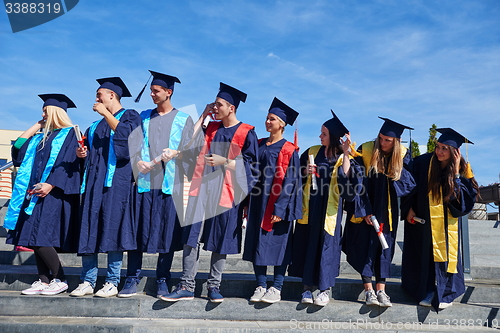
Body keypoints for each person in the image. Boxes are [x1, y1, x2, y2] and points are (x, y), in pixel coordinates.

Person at [161, 82, 259, 303]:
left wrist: (226, 161)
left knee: (221, 239)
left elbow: (254, 169)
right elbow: (187, 144)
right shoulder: (211, 128)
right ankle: (186, 284)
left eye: (219, 104)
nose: (215, 107)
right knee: (191, 237)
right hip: (201, 188)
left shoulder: (246, 132)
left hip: (227, 192)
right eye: (214, 104)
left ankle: (214, 285)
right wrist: (204, 115)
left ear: (231, 108)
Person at [118, 71, 194, 298]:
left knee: (167, 234)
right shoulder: (142, 116)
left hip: (169, 185)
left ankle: (162, 278)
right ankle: (132, 277)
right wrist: (137, 161)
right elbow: (132, 144)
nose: (152, 94)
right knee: (137, 230)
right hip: (143, 183)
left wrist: (177, 153)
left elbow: (193, 153)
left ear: (168, 92)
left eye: (156, 91)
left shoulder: (184, 119)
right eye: (151, 90)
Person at [70, 77, 141, 298]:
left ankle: (112, 281)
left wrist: (106, 114)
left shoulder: (130, 116)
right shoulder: (94, 126)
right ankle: (88, 281)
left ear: (112, 95)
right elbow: (91, 154)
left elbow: (129, 144)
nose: (96, 99)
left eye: (99, 94)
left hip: (117, 183)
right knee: (89, 230)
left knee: (114, 229)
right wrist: (82, 155)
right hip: (93, 185)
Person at [4, 94, 81, 295]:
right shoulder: (39, 138)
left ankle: (60, 278)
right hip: (33, 194)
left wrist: (51, 184)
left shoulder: (69, 134)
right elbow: (18, 149)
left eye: (46, 111)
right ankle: (43, 280)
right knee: (31, 237)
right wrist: (37, 125)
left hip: (53, 195)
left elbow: (70, 163)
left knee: (41, 238)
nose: (43, 114)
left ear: (56, 113)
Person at [288, 111, 365, 306]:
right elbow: (296, 172)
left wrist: (347, 153)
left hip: (330, 210)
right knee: (308, 244)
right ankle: (306, 288)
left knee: (327, 247)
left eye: (323, 134)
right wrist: (306, 170)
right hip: (310, 207)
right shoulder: (313, 151)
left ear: (332, 136)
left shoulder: (342, 157)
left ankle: (324, 289)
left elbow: (347, 183)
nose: (320, 137)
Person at [342, 117, 415, 307]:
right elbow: (357, 183)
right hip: (366, 208)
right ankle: (368, 290)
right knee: (365, 247)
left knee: (385, 248)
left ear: (396, 142)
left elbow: (409, 184)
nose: (382, 143)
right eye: (381, 138)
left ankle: (382, 290)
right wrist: (364, 211)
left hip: (387, 211)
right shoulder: (366, 150)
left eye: (387, 140)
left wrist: (394, 169)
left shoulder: (404, 155)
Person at [401, 128, 478, 310]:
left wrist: (457, 174)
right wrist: (408, 207)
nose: (440, 151)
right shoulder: (424, 162)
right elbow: (409, 183)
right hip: (424, 219)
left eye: (445, 148)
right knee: (424, 255)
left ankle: (447, 292)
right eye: (438, 147)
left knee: (446, 257)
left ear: (455, 152)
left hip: (447, 222)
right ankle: (426, 291)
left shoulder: (463, 169)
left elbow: (466, 200)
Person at [243, 97, 302, 304]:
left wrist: (280, 208)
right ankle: (260, 284)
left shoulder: (288, 149)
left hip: (278, 205)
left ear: (282, 124)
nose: (268, 122)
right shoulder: (258, 144)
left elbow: (291, 180)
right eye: (267, 118)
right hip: (258, 202)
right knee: (257, 242)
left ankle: (276, 287)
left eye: (272, 119)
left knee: (279, 245)